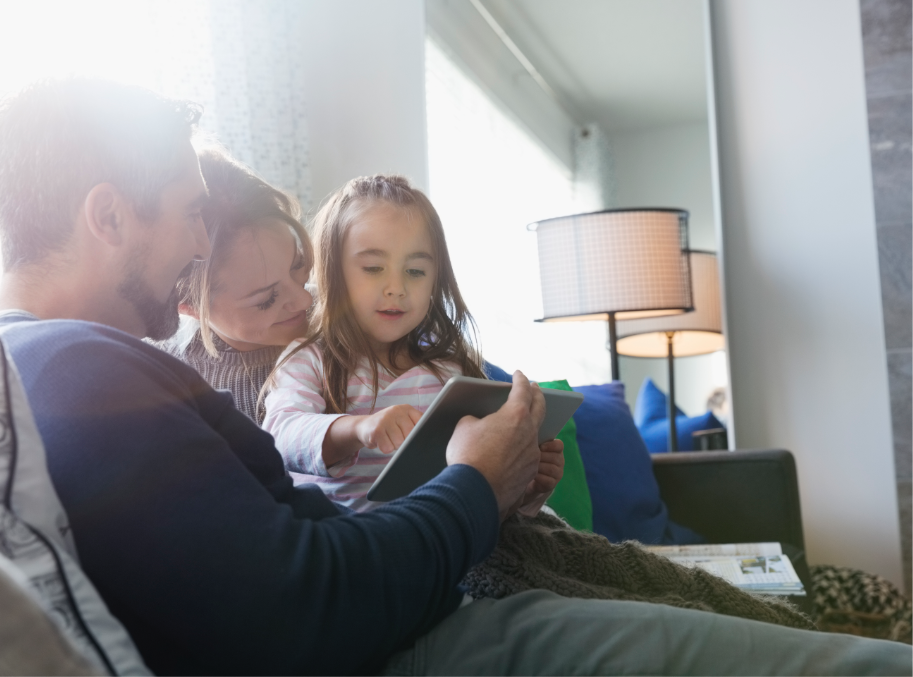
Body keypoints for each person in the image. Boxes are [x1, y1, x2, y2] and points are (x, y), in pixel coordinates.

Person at [0, 78, 911, 677]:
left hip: (414, 592)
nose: (200, 247)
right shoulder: (76, 371)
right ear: (109, 217)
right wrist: (476, 480)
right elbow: (304, 605)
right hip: (410, 628)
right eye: (191, 216)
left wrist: (502, 474)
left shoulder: (62, 371)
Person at [262, 174, 560, 512]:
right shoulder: (309, 358)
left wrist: (526, 485)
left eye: (416, 272)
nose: (396, 288)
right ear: (333, 272)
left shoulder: (450, 369)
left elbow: (478, 490)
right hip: (349, 537)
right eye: (373, 268)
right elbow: (281, 436)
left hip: (439, 533)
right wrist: (359, 428)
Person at [156, 148, 314, 422]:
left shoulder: (346, 324)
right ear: (189, 306)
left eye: (297, 265)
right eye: (266, 299)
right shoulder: (164, 380)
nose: (305, 300)